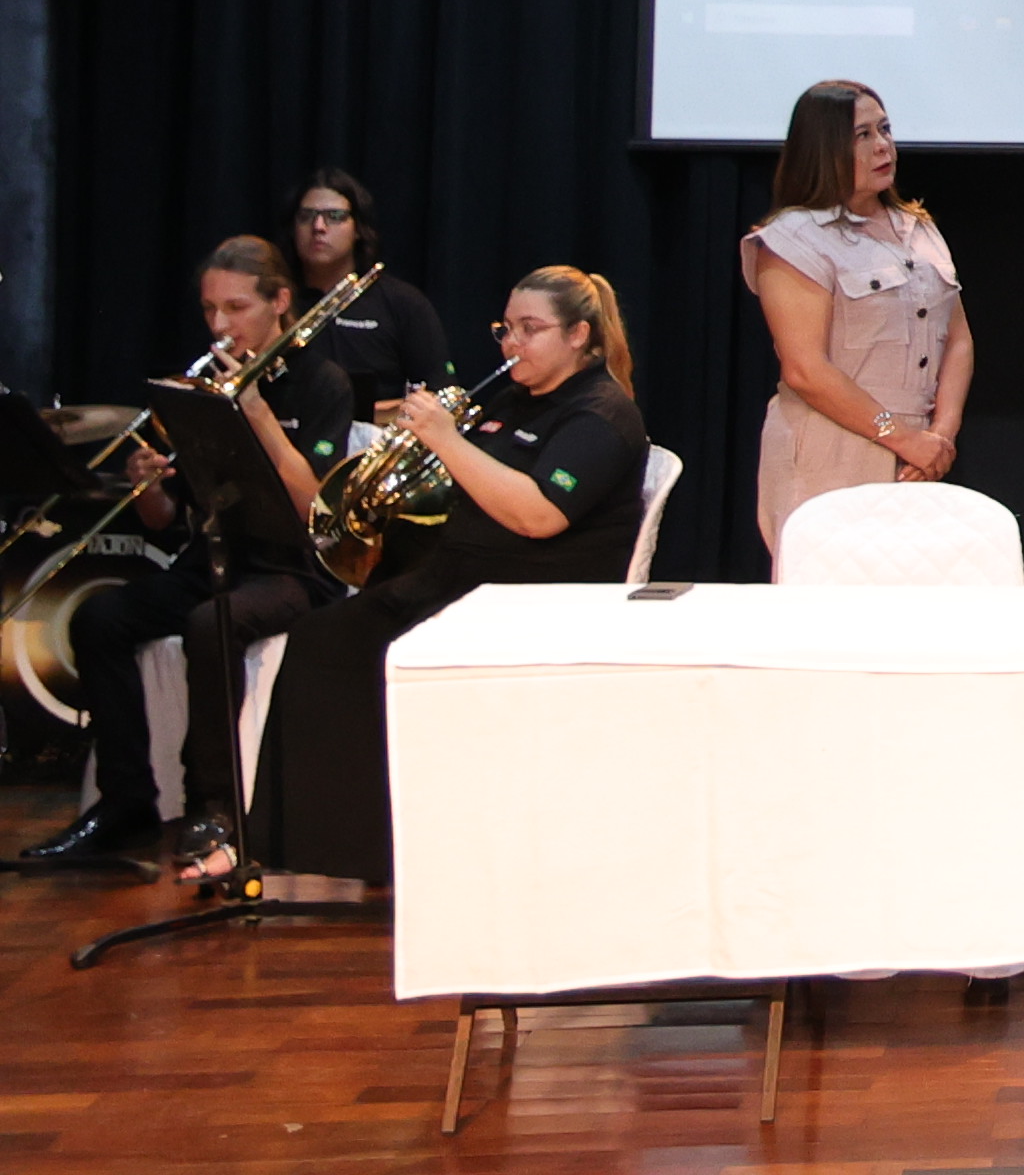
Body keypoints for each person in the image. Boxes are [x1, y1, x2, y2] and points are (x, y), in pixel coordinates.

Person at [237, 266, 650, 887]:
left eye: (529, 329)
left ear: (578, 335)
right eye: (505, 329)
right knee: (321, 637)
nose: (511, 344)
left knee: (358, 651)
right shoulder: (512, 397)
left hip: (530, 600)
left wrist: (446, 439)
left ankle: (389, 851)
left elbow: (539, 514)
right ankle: (323, 849)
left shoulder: (601, 414)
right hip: (460, 579)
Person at [17, 237, 351, 870]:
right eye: (209, 309)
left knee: (211, 622)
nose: (220, 324)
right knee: (99, 618)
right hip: (214, 556)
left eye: (236, 308)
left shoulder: (322, 381)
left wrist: (257, 415)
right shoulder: (199, 388)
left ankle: (213, 806)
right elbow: (167, 520)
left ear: (280, 302)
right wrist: (149, 486)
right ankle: (126, 802)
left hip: (294, 567)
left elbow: (316, 508)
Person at [745, 79, 976, 560]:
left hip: (918, 451)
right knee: (831, 592)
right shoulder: (793, 239)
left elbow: (957, 338)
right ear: (823, 148)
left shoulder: (918, 228)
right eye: (862, 136)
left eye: (885, 130)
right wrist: (902, 438)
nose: (883, 146)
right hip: (832, 444)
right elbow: (805, 369)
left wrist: (940, 436)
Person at [287, 168, 450, 417]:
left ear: (358, 228)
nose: (318, 226)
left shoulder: (403, 302)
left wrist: (355, 414)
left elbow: (442, 394)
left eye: (335, 216)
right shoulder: (276, 300)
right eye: (306, 216)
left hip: (376, 434)